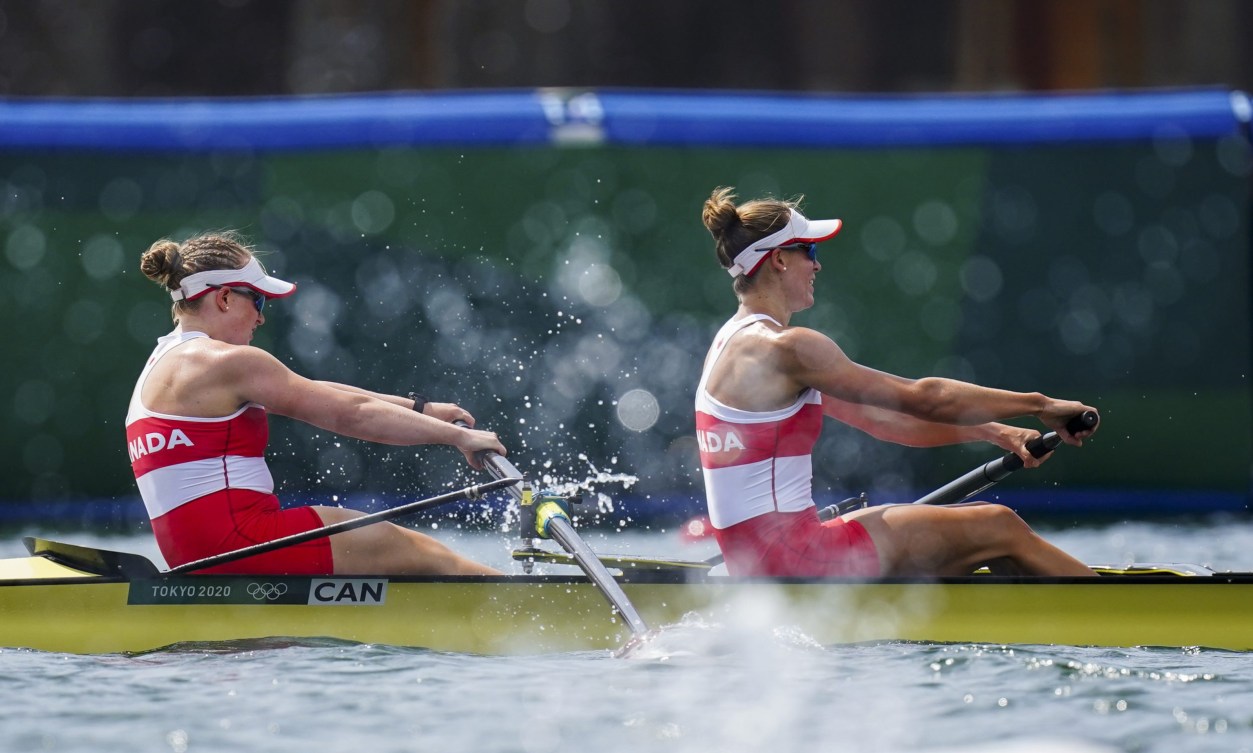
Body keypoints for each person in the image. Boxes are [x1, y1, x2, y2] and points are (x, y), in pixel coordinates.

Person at [697, 187, 1099, 578]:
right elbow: (925, 399)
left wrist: (998, 433)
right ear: (779, 260)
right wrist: (1041, 405)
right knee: (999, 525)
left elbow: (886, 421)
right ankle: (1109, 617)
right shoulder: (789, 348)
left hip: (759, 562)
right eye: (810, 251)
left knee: (963, 531)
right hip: (795, 560)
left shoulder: (730, 344)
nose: (817, 265)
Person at [126, 231, 507, 576]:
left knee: (400, 549)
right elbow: (349, 414)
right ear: (225, 298)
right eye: (257, 299)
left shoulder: (161, 364)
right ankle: (531, 608)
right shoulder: (226, 361)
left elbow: (314, 390)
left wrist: (423, 410)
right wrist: (457, 438)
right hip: (242, 543)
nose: (260, 316)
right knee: (427, 555)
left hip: (194, 557)